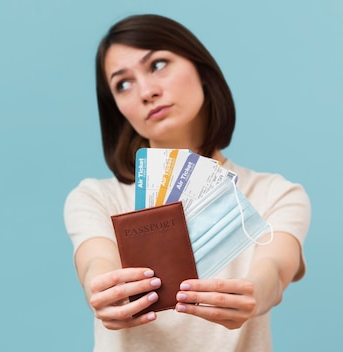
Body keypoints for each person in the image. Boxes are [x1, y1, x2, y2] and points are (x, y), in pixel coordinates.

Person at [63, 14, 311, 351]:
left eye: (158, 64)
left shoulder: (276, 194)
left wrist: (257, 291)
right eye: (123, 84)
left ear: (201, 69)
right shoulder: (96, 198)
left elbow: (275, 270)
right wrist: (104, 289)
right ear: (116, 109)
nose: (147, 92)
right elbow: (95, 262)